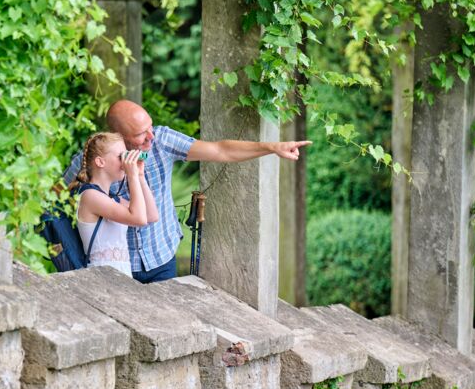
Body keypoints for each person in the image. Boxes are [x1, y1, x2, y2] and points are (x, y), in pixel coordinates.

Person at [64, 99, 311, 284]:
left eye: (150, 126)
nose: (151, 136)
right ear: (120, 136)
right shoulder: (94, 159)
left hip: (161, 259)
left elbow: (220, 151)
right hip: (113, 269)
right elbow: (54, 199)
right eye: (141, 134)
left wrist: (272, 146)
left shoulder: (162, 140)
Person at [68, 132, 158, 276]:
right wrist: (132, 175)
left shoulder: (109, 199)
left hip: (119, 275)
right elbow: (138, 219)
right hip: (102, 277)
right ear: (100, 162)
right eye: (121, 156)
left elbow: (150, 216)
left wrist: (140, 176)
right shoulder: (90, 196)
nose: (125, 162)